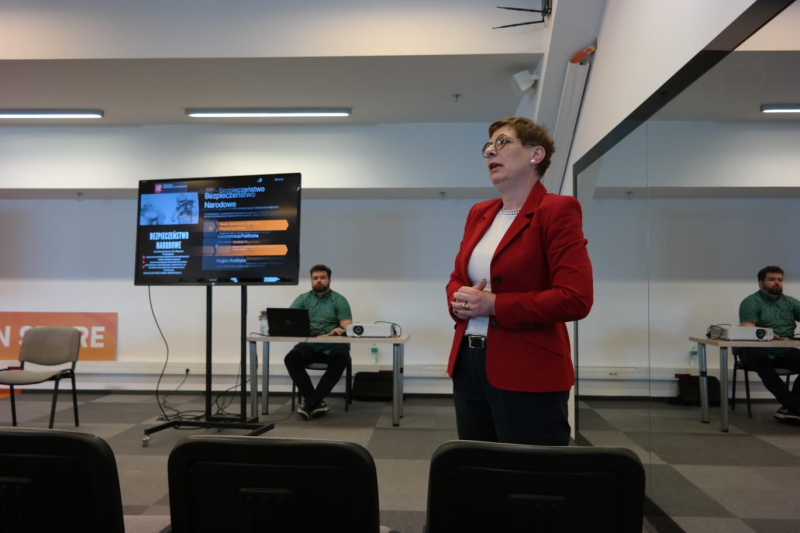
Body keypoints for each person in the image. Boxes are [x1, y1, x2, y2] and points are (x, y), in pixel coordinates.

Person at [446, 116, 593, 446]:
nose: (490, 152)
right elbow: (458, 278)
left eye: (502, 143)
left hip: (529, 368)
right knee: (477, 466)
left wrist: (494, 304)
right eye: (488, 147)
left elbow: (575, 298)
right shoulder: (479, 213)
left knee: (529, 471)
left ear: (535, 154)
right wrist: (458, 299)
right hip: (469, 364)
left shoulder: (557, 210)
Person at [284, 264, 353, 420]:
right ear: (311, 281)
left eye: (322, 277)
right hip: (309, 345)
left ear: (329, 280)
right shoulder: (303, 299)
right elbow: (289, 318)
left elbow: (347, 325)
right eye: (315, 278)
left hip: (333, 346)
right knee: (291, 358)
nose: (319, 281)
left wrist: (341, 329)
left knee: (342, 357)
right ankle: (315, 400)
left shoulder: (339, 300)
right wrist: (269, 315)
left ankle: (311, 401)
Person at [738, 266, 800, 422]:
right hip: (754, 350)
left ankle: (789, 408)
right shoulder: (751, 302)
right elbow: (747, 330)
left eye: (780, 280)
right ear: (761, 283)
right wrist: (767, 334)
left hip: (782, 350)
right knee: (762, 362)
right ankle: (794, 406)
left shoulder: (790, 302)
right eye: (772, 279)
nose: (777, 282)